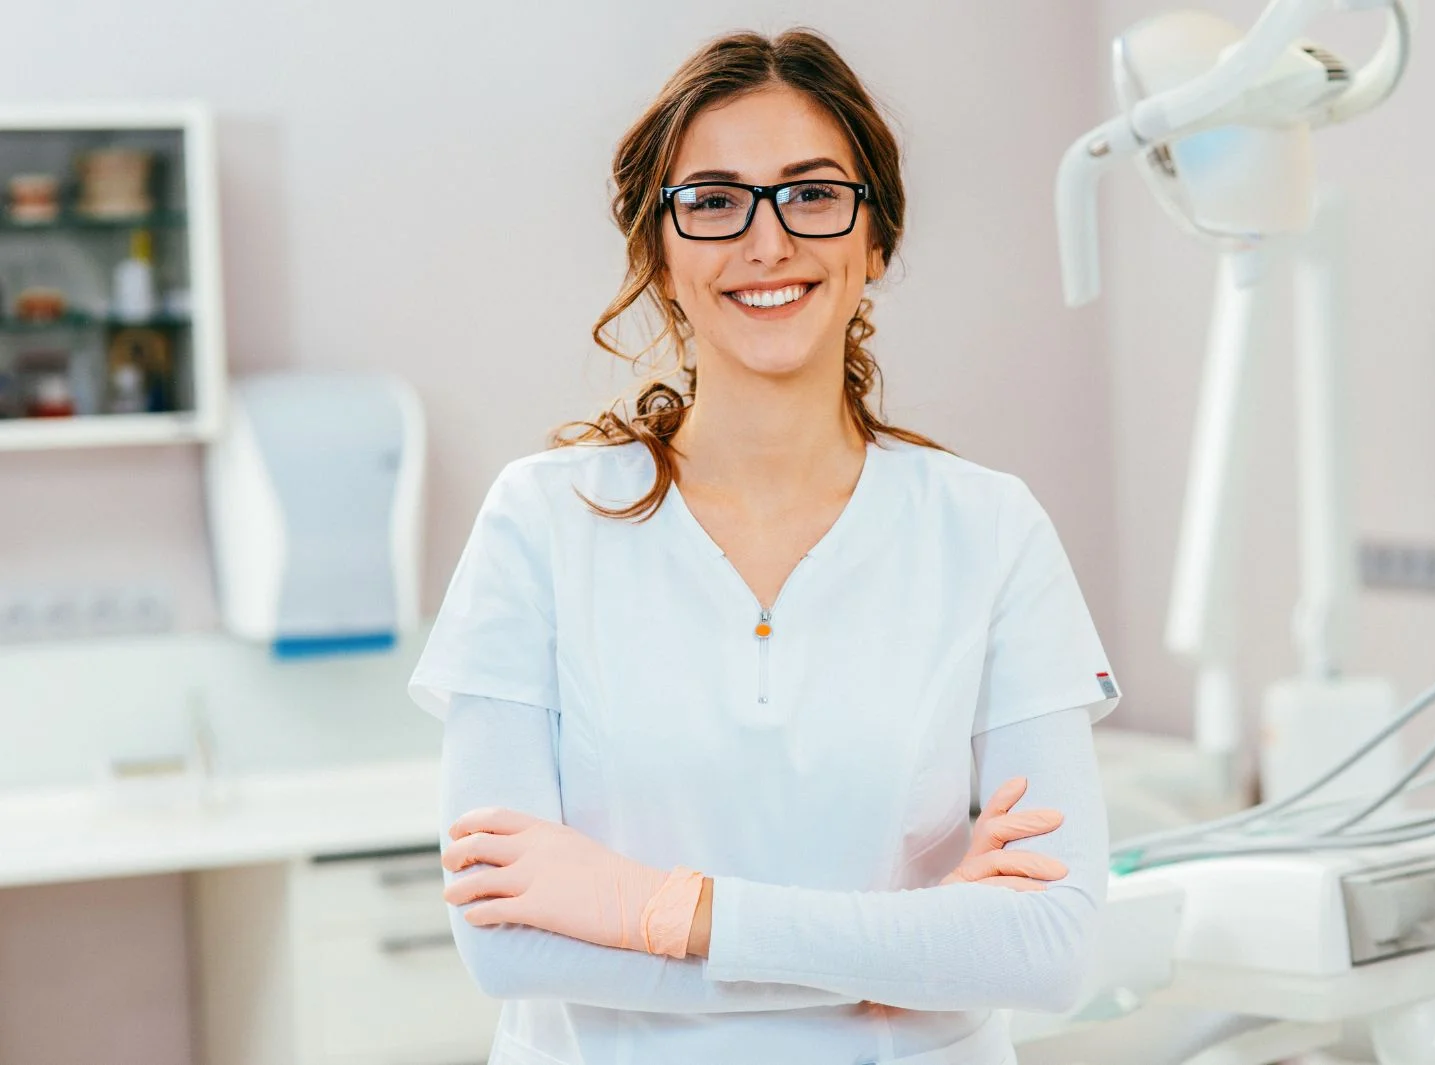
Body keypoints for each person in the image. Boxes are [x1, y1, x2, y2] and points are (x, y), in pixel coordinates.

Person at [408, 27, 1120, 1065]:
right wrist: (910, 953)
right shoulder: (542, 525)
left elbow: (1051, 949)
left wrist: (662, 908)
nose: (767, 241)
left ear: (875, 240)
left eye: (813, 193)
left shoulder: (989, 531)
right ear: (657, 250)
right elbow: (506, 943)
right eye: (712, 201)